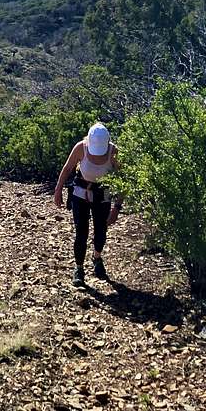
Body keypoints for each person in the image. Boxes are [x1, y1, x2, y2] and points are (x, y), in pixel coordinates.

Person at [54, 122, 123, 287]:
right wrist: (58, 190)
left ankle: (97, 257)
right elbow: (67, 168)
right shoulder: (81, 148)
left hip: (104, 192)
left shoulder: (114, 152)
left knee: (101, 230)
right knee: (81, 232)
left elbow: (123, 181)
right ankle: (79, 268)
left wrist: (116, 208)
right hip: (81, 191)